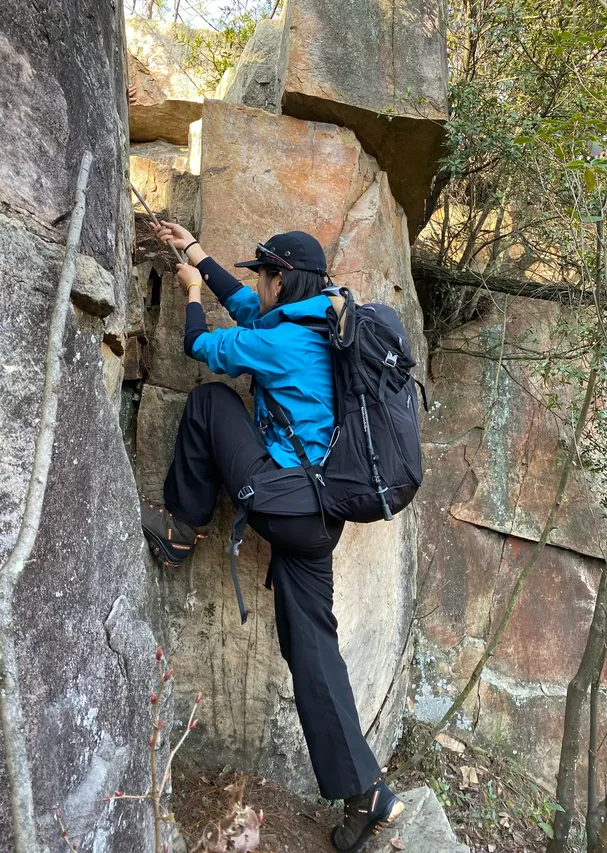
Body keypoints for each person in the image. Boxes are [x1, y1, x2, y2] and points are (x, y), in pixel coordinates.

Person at [140, 221, 405, 852]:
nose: (257, 283)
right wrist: (196, 254)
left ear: (281, 277)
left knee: (209, 403)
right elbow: (249, 309)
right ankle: (366, 794)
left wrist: (190, 297)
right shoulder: (322, 325)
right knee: (310, 647)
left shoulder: (285, 342)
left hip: (284, 505)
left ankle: (182, 530)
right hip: (318, 520)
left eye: (262, 273)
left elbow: (201, 346)